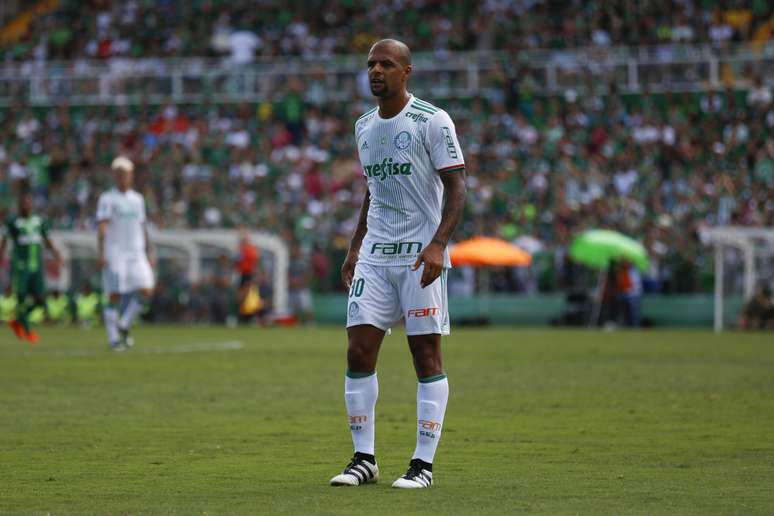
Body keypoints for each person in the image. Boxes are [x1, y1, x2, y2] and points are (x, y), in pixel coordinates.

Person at [330, 39, 467, 489]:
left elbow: (457, 186)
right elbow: (372, 188)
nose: (376, 71)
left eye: (386, 64)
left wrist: (438, 244)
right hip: (374, 255)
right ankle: (363, 459)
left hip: (418, 256)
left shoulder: (432, 120)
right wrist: (355, 245)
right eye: (371, 64)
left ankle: (422, 465)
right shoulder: (364, 126)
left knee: (424, 355)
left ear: (406, 71)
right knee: (358, 351)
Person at [97, 156, 156, 351]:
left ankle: (124, 324)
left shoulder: (137, 199)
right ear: (115, 175)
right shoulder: (107, 199)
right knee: (114, 294)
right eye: (119, 173)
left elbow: (143, 226)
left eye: (126, 173)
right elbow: (102, 227)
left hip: (136, 252)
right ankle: (113, 338)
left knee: (147, 289)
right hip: (116, 252)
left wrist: (150, 250)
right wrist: (101, 253)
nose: (123, 177)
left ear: (131, 175)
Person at [0, 189, 62, 343]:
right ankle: (27, 332)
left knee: (41, 299)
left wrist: (56, 255)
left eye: (28, 203)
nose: (26, 206)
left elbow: (47, 239)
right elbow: (5, 241)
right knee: (21, 298)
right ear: (19, 205)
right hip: (21, 266)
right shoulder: (13, 222)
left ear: (32, 204)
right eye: (23, 203)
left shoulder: (38, 221)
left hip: (36, 267)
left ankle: (18, 320)